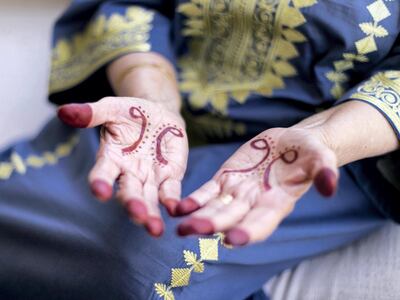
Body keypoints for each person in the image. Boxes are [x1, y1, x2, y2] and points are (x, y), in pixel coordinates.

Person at [1, 0, 399, 299]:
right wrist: (154, 100)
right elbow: (130, 6)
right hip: (143, 125)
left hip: (310, 161)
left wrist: (326, 138)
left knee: (141, 274)